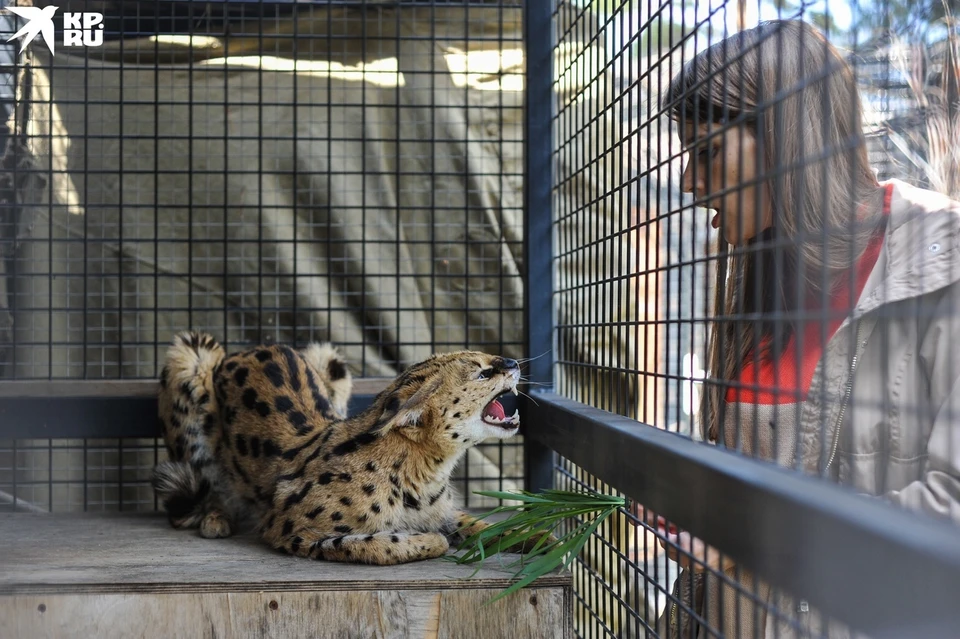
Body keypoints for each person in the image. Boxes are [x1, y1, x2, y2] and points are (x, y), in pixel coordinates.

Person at [644, 18, 960, 638]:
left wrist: (745, 534)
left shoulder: (942, 261)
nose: (688, 182)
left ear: (786, 139)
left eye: (706, 152)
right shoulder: (760, 274)